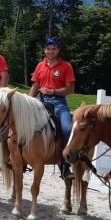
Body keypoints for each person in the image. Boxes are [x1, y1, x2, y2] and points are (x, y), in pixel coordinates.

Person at [28, 37, 76, 179]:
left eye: (53, 48)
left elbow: (70, 88)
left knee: (67, 128)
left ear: (58, 50)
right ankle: (17, 157)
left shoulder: (66, 66)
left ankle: (66, 163)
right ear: (44, 50)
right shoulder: (40, 65)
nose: (50, 51)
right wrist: (29, 99)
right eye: (48, 48)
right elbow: (35, 85)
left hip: (58, 102)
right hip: (40, 101)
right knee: (20, 120)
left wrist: (53, 91)